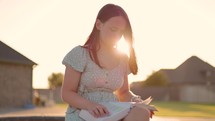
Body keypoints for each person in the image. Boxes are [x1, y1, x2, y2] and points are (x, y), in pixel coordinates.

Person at [61, 3, 154, 121]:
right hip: (83, 113)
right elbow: (67, 93)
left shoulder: (122, 58)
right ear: (99, 24)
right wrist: (91, 105)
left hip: (112, 114)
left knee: (142, 112)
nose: (117, 36)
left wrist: (136, 100)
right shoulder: (80, 54)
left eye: (121, 32)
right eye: (113, 29)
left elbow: (124, 92)